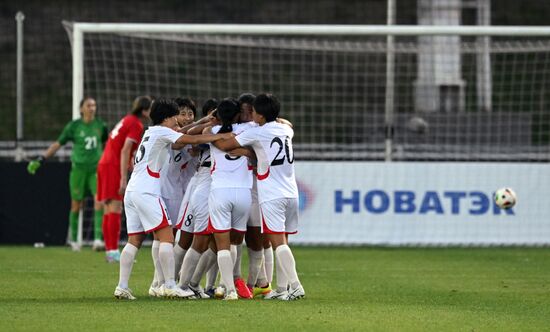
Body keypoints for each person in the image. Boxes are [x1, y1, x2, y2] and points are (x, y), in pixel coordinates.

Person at [113, 98, 233, 300]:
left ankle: (122, 286)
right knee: (167, 238)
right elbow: (192, 140)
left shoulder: (150, 132)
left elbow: (183, 134)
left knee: (134, 240)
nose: (178, 120)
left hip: (133, 191)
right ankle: (169, 284)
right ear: (167, 118)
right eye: (176, 116)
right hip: (147, 191)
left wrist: (202, 121)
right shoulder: (163, 131)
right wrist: (220, 136)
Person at [213, 93, 305, 300]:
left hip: (272, 194)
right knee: (283, 242)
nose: (251, 114)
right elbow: (287, 123)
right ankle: (281, 290)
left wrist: (213, 139)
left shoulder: (258, 133)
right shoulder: (285, 129)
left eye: (253, 111)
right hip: (291, 192)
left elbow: (226, 145)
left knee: (277, 242)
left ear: (261, 116)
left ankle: (296, 285)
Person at [27, 97, 108, 251]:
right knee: (76, 204)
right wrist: (41, 158)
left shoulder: (101, 125)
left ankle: (98, 240)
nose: (92, 108)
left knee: (100, 201)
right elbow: (58, 143)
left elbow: (105, 143)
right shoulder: (74, 126)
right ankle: (74, 241)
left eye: (94, 105)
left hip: (96, 170)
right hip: (78, 170)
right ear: (81, 109)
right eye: (88, 105)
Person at [149, 97, 198, 296]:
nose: (186, 117)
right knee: (164, 237)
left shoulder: (182, 133)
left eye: (190, 113)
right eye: (182, 113)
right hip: (164, 189)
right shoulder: (169, 134)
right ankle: (159, 282)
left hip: (181, 190)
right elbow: (181, 143)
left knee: (172, 237)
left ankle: (167, 282)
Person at [97, 96, 152, 262]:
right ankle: (113, 251)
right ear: (144, 110)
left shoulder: (127, 119)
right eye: (151, 108)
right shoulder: (136, 124)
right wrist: (123, 179)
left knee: (108, 210)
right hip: (113, 165)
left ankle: (110, 251)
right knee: (115, 208)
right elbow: (125, 149)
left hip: (104, 162)